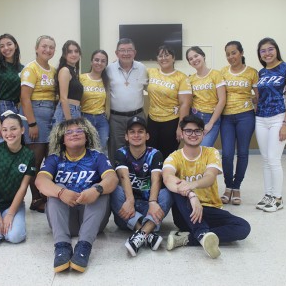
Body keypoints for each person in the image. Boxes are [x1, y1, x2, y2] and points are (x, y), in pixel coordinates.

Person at [35, 117, 118, 273]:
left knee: (100, 188)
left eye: (80, 131)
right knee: (55, 187)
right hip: (65, 221)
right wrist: (61, 192)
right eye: (69, 132)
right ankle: (62, 247)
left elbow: (112, 179)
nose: (75, 134)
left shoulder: (97, 156)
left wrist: (97, 190)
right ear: (62, 140)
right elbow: (40, 181)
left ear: (87, 137)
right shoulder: (54, 158)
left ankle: (84, 246)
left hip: (92, 221)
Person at [162, 115, 251, 259]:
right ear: (182, 133)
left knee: (243, 227)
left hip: (210, 209)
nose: (193, 135)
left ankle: (188, 238)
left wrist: (191, 185)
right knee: (177, 185)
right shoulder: (174, 157)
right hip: (186, 213)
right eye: (189, 131)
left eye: (197, 131)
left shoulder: (211, 152)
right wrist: (191, 194)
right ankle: (202, 232)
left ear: (203, 134)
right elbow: (167, 177)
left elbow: (210, 177)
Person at [110, 116, 172, 256]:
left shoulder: (155, 154)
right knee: (114, 190)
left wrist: (153, 202)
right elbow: (123, 176)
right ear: (126, 136)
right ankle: (147, 233)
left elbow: (156, 179)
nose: (136, 135)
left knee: (167, 192)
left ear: (147, 135)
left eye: (140, 131)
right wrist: (130, 200)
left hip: (150, 210)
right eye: (132, 132)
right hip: (127, 211)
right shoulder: (121, 153)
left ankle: (140, 234)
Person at [0, 113, 35, 245]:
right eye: (4, 130)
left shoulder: (29, 155)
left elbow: (23, 188)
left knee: (15, 237)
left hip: (12, 203)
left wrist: (10, 214)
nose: (9, 133)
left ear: (22, 130)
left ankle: (6, 220)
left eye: (13, 128)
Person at [255, 37, 286, 212]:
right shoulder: (261, 72)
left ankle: (278, 198)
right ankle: (268, 195)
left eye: (270, 49)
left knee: (274, 159)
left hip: (279, 118)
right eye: (263, 50)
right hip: (261, 119)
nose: (267, 53)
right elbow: (259, 97)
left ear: (276, 50)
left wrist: (285, 123)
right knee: (265, 160)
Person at [20, 35, 56, 213]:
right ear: (36, 48)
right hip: (36, 115)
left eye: (51, 47)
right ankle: (35, 199)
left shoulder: (53, 70)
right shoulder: (30, 69)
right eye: (44, 46)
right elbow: (25, 98)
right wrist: (32, 123)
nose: (47, 50)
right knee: (35, 159)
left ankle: (47, 195)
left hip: (51, 116)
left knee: (50, 159)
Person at [219, 41, 259, 205]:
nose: (231, 57)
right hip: (226, 118)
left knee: (242, 153)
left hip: (245, 117)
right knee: (227, 154)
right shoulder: (222, 72)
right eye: (228, 54)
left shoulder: (252, 72)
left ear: (241, 53)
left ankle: (236, 187)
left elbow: (258, 96)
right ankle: (228, 185)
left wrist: (253, 109)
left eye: (233, 53)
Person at [147, 45, 192, 159]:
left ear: (173, 58)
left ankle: (167, 177)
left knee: (167, 156)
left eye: (167, 55)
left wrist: (180, 127)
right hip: (152, 121)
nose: (163, 58)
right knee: (151, 155)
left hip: (171, 122)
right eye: (160, 56)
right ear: (157, 59)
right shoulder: (151, 72)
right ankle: (153, 177)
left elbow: (185, 104)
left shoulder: (181, 77)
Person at [106, 38, 148, 159]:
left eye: (129, 50)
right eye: (122, 50)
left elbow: (151, 87)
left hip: (138, 115)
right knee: (116, 149)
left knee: (139, 146)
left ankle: (138, 175)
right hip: (116, 118)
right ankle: (118, 176)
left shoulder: (142, 68)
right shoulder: (109, 69)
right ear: (116, 53)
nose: (126, 53)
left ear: (134, 52)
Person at [186, 46, 226, 147]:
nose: (194, 59)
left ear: (203, 56)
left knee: (204, 148)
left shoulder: (216, 74)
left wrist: (211, 123)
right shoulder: (190, 79)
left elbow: (222, 100)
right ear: (189, 63)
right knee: (194, 149)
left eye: (196, 56)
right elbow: (188, 101)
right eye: (191, 59)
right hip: (195, 117)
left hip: (211, 118)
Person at [80, 50, 110, 155]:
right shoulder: (82, 78)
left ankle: (101, 171)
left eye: (103, 61)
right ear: (91, 62)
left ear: (106, 64)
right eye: (96, 60)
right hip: (85, 118)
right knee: (85, 149)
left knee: (101, 150)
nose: (99, 63)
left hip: (102, 120)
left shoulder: (107, 81)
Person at [52, 40, 83, 124]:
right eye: (70, 52)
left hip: (75, 110)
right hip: (66, 112)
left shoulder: (73, 72)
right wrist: (69, 121)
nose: (74, 54)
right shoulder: (65, 70)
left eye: (76, 51)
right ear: (64, 55)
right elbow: (63, 98)